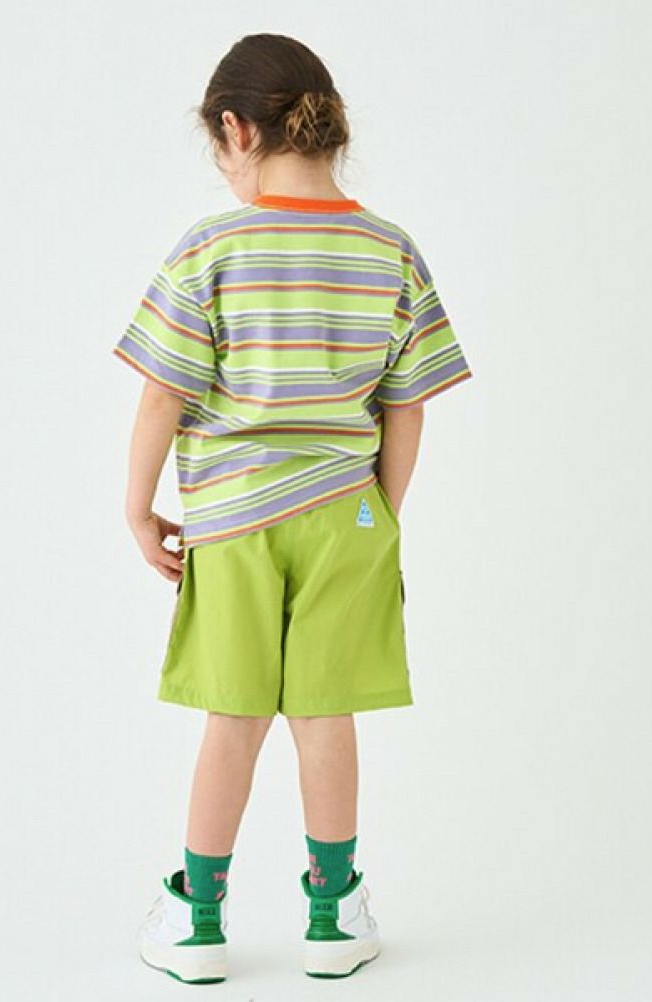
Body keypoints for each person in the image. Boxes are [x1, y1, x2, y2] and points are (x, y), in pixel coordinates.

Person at [114, 33, 473, 984]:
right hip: (348, 514)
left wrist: (139, 508)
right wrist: (378, 511)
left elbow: (161, 394)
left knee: (232, 719)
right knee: (325, 717)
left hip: (233, 521)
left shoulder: (211, 248)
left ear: (236, 130)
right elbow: (408, 404)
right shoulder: (391, 250)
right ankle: (333, 914)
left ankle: (197, 921)